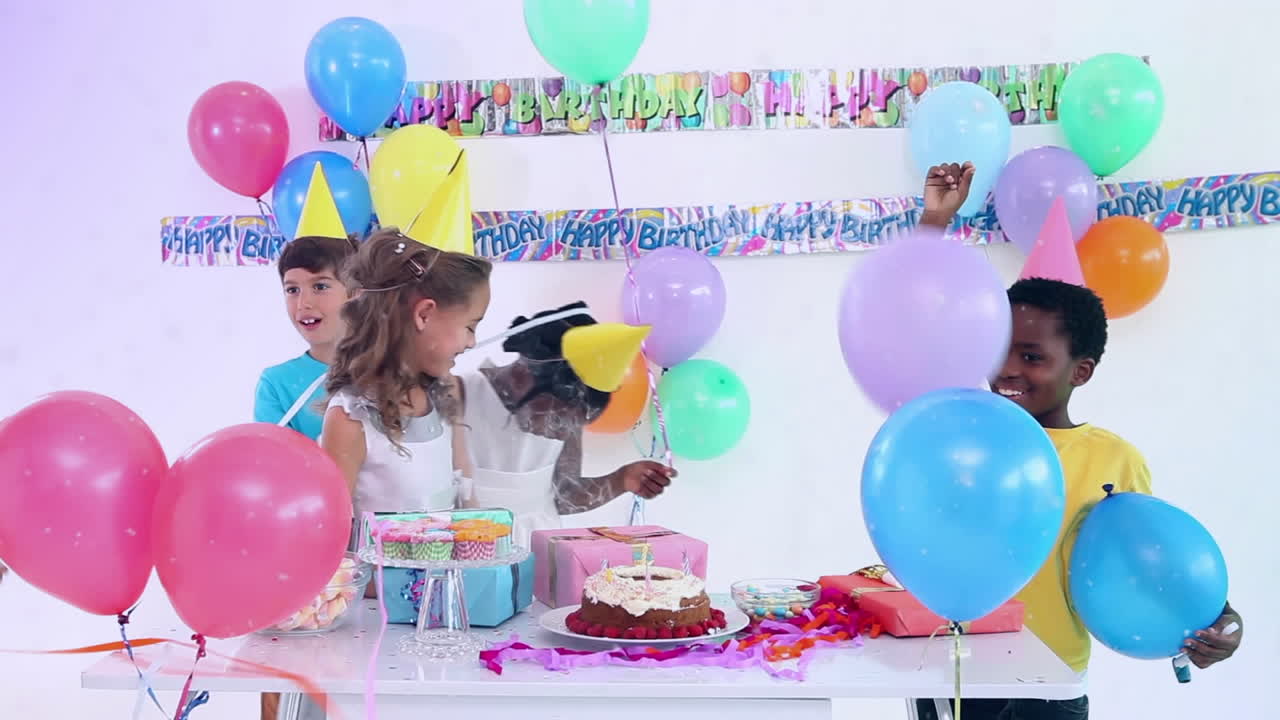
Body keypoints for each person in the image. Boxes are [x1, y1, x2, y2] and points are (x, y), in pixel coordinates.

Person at [912, 164, 1243, 720]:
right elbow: (912, 319)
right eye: (1001, 349)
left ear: (1081, 371)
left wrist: (1220, 623)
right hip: (954, 675)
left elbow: (1148, 559)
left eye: (1033, 357)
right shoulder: (965, 433)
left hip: (1054, 687)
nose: (1007, 370)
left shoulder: (1114, 460)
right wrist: (933, 222)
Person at [453, 301, 676, 544]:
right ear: (526, 374)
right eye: (557, 418)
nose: (559, 431)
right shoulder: (460, 397)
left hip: (537, 547)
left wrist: (621, 479)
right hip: (469, 545)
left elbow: (565, 495)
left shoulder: (565, 416)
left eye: (571, 423)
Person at [320, 229, 492, 533]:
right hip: (381, 581)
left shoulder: (445, 392)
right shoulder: (350, 420)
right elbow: (334, 534)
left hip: (447, 576)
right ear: (424, 315)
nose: (471, 342)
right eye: (470, 326)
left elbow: (465, 497)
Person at [254, 235, 358, 440]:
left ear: (356, 293)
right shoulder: (276, 384)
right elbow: (275, 464)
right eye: (292, 290)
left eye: (320, 287)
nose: (303, 303)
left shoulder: (394, 369)